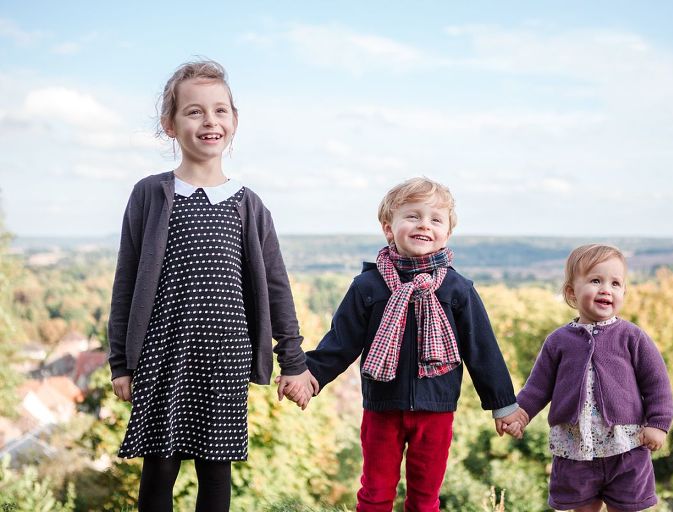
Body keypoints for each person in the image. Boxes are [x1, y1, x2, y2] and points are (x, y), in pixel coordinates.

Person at [107, 59, 315, 512]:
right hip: (164, 352)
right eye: (194, 111)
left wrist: (294, 362)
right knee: (159, 467)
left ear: (234, 121)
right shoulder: (150, 194)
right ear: (170, 124)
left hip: (225, 355)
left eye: (220, 111)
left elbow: (277, 289)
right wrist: (120, 363)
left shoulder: (249, 205)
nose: (209, 121)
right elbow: (126, 284)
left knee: (216, 470)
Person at [281, 177, 524, 511]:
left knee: (425, 499)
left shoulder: (457, 290)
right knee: (375, 493)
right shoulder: (369, 286)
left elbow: (482, 349)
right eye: (413, 216)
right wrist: (309, 375)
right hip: (382, 408)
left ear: (447, 234)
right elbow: (341, 342)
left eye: (435, 219)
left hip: (436, 410)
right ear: (388, 228)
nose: (424, 224)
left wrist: (503, 404)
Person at [505, 244, 673, 512]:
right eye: (596, 280)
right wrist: (520, 414)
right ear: (572, 292)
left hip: (626, 446)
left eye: (615, 283)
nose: (606, 289)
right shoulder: (558, 341)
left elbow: (657, 384)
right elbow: (537, 387)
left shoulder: (632, 337)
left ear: (623, 292)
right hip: (575, 448)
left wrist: (658, 423)